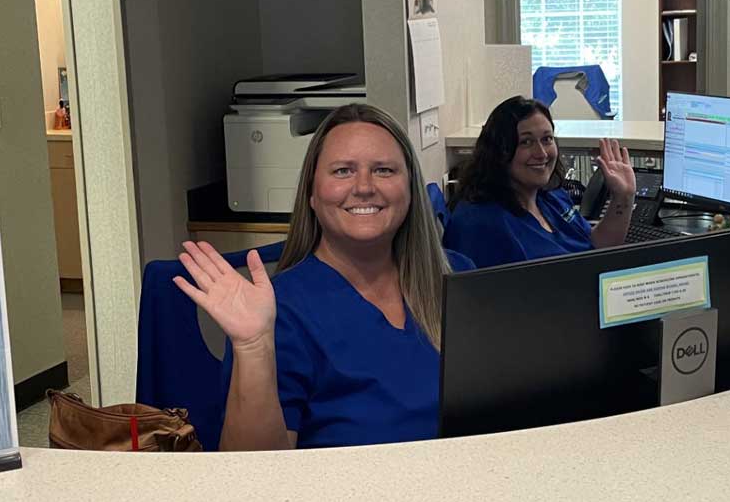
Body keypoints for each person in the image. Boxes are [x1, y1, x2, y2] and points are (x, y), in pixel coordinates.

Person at [175, 103, 470, 451]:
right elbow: (252, 470)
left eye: (384, 170)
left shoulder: (459, 277)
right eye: (343, 171)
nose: (364, 187)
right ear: (312, 195)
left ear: (410, 188)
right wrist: (253, 347)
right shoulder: (279, 312)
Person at [442, 95, 635, 269]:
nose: (541, 153)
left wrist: (623, 196)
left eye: (547, 139)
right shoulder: (480, 224)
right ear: (499, 151)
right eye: (526, 142)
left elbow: (597, 246)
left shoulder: (551, 196)